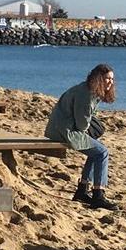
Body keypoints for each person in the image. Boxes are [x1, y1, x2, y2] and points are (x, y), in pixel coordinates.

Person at [45, 64, 117, 210]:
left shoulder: (89, 90)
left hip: (62, 128)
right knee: (102, 152)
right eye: (107, 78)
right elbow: (82, 125)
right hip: (64, 131)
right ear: (98, 78)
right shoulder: (87, 93)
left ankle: (82, 190)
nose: (110, 82)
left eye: (112, 79)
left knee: (96, 150)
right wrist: (91, 127)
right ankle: (98, 194)